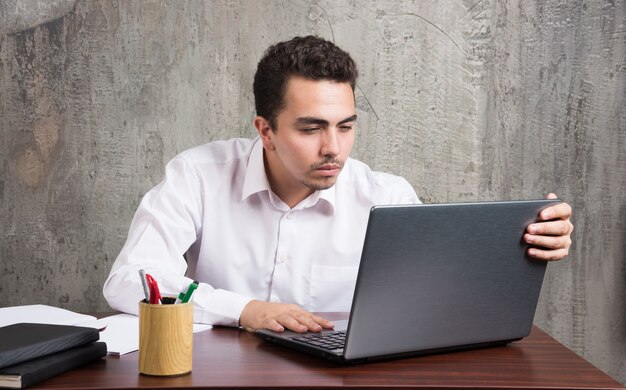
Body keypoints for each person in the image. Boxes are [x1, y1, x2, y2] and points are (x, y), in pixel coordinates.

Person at [103, 36, 573, 333]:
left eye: (345, 126)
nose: (334, 148)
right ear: (265, 130)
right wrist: (244, 309)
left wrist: (522, 245)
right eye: (311, 128)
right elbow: (129, 280)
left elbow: (441, 299)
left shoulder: (385, 198)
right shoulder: (198, 175)